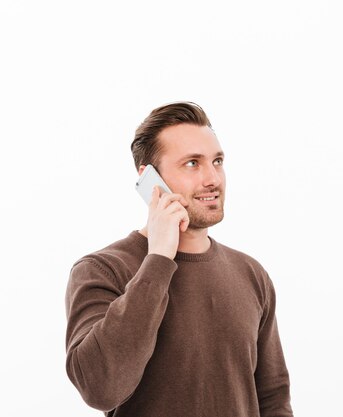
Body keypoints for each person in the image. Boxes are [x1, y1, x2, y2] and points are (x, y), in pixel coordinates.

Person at [64, 102, 293, 417]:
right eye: (192, 164)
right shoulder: (103, 270)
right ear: (149, 179)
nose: (212, 178)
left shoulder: (250, 273)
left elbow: (273, 399)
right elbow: (100, 388)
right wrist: (158, 257)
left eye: (217, 161)